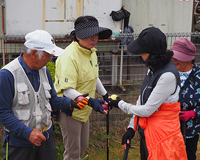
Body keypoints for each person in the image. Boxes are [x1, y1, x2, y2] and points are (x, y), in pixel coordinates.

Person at [0, 30, 89, 160]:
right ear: (35, 53)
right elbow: (3, 113)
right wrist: (28, 133)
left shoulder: (44, 71)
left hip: (46, 140)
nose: (50, 59)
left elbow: (52, 100)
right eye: (48, 55)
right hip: (19, 143)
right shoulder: (8, 75)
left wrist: (71, 103)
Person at [109, 27, 187, 160]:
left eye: (142, 51)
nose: (140, 55)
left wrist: (120, 104)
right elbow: (142, 100)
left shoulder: (168, 75)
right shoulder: (153, 68)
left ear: (151, 53)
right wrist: (131, 128)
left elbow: (146, 110)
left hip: (164, 138)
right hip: (148, 133)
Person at [54, 15, 112, 160]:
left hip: (84, 108)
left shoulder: (91, 52)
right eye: (89, 35)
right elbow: (67, 90)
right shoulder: (69, 56)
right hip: (70, 109)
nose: (94, 39)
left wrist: (105, 95)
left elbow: (93, 76)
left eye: (96, 34)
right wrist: (92, 101)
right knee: (73, 152)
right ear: (78, 36)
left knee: (82, 147)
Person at [171, 37, 200, 160]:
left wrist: (193, 113)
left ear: (188, 59)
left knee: (188, 155)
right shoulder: (170, 73)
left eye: (178, 57)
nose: (173, 59)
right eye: (173, 56)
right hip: (170, 127)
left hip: (191, 129)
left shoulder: (198, 75)